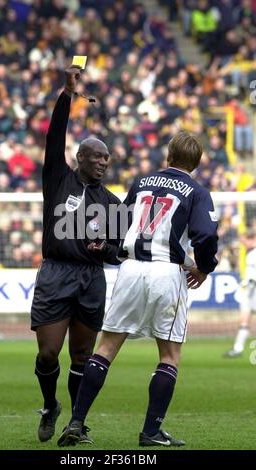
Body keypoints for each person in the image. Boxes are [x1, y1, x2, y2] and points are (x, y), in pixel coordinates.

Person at [57, 131, 218, 447]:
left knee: (106, 348)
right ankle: (150, 431)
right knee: (170, 355)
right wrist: (205, 267)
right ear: (197, 164)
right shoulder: (197, 192)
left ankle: (76, 422)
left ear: (168, 156)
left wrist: (110, 248)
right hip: (167, 272)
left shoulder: (142, 183)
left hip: (130, 270)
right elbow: (206, 235)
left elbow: (118, 224)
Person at [31, 66, 120, 443]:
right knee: (49, 354)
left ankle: (76, 423)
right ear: (81, 157)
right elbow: (55, 136)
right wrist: (67, 94)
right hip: (55, 274)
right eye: (97, 157)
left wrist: (107, 250)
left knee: (82, 358)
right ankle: (51, 406)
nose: (103, 162)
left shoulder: (112, 202)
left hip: (90, 279)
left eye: (107, 159)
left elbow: (118, 252)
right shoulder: (58, 178)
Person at [224, 229, 256, 358]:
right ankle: (238, 348)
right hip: (250, 290)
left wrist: (249, 280)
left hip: (254, 289)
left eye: (244, 241)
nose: (243, 244)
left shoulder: (253, 254)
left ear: (252, 238)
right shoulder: (250, 254)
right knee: (244, 320)